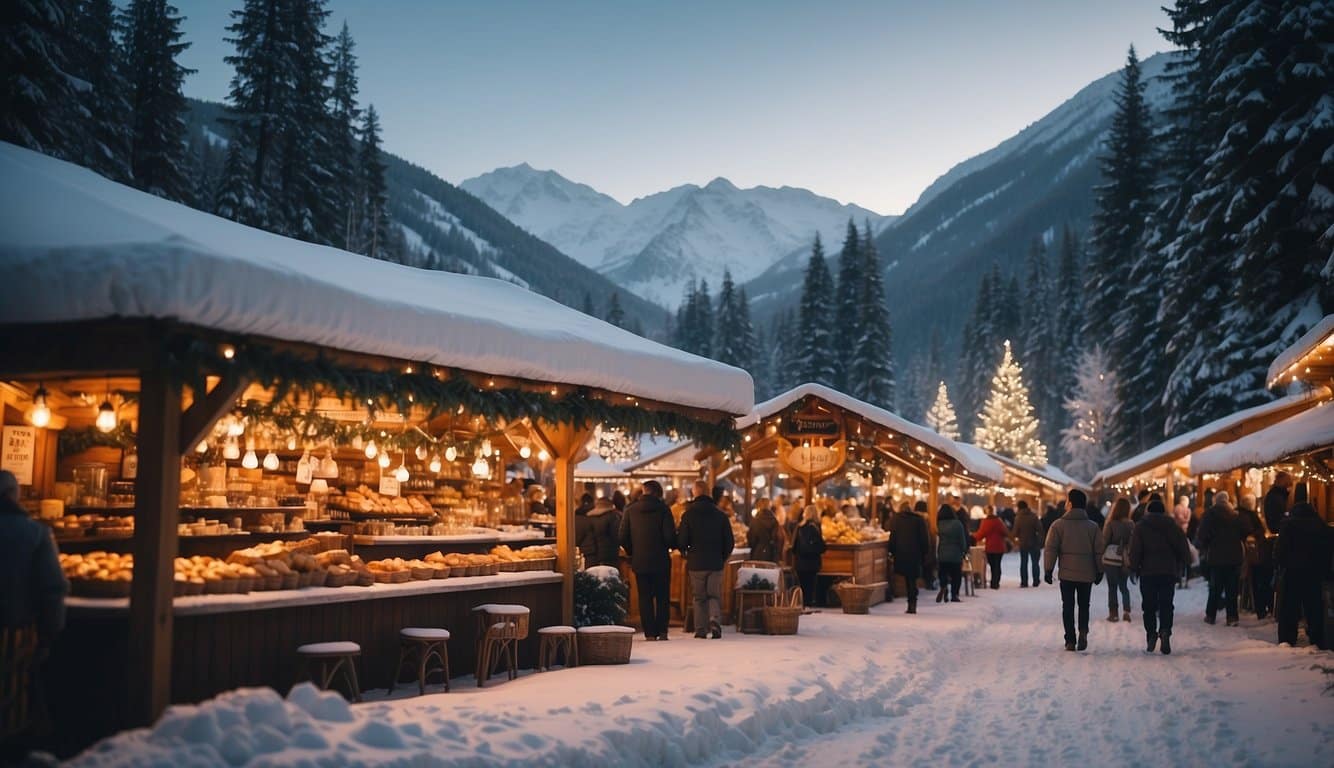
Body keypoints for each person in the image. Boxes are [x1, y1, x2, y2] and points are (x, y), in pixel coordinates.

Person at [1, 470, 68, 754]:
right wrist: (50, 635)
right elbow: (53, 589)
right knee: (11, 703)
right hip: (13, 632)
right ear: (13, 495)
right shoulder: (35, 533)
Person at [1044, 489, 1105, 652]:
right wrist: (1100, 570)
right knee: (1084, 605)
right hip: (1086, 573)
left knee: (1068, 606)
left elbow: (1051, 549)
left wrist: (1048, 569)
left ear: (1070, 503)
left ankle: (1070, 639)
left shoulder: (1058, 525)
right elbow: (1099, 550)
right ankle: (1083, 632)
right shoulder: (1093, 527)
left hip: (1067, 574)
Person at [1127, 498, 1191, 654]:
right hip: (1168, 571)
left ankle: (1151, 635)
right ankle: (1165, 631)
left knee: (1148, 605)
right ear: (1164, 511)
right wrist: (1185, 563)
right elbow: (1183, 547)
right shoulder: (1173, 526)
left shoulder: (1140, 527)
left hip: (1147, 572)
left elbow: (1135, 550)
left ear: (1148, 511)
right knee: (1166, 604)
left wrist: (1133, 568)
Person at [1274, 484, 1331, 649]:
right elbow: (1327, 547)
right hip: (1314, 572)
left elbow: (1280, 550)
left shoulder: (1288, 525)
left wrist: (1280, 564)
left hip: (1292, 572)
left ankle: (1287, 639)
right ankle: (1317, 638)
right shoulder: (1320, 525)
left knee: (1289, 607)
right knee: (1313, 605)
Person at [619, 481, 677, 641]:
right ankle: (662, 631)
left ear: (643, 492)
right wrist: (671, 545)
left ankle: (650, 632)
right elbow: (670, 537)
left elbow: (622, 536)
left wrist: (632, 551)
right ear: (658, 493)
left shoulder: (630, 510)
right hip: (661, 560)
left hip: (640, 560)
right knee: (662, 596)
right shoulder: (664, 510)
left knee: (644, 597)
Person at [677, 480, 734, 639]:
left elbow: (682, 540)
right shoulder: (720, 515)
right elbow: (729, 541)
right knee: (714, 595)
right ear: (708, 493)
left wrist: (686, 552)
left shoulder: (688, 515)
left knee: (699, 597)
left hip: (696, 562)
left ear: (695, 493)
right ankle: (714, 620)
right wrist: (722, 556)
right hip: (715, 562)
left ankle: (700, 628)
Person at [1197, 490, 1243, 626]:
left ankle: (1211, 615)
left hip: (1216, 556)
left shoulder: (1209, 514)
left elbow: (1202, 535)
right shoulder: (1235, 515)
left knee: (1215, 587)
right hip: (1234, 556)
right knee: (1232, 588)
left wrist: (1207, 545)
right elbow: (1243, 531)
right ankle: (1232, 617)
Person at [1236, 492, 1273, 620]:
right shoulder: (1247, 516)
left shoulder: (1240, 515)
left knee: (1256, 580)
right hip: (1254, 554)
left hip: (1249, 553)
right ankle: (1260, 609)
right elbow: (1250, 533)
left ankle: (1256, 606)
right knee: (1258, 580)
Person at [891, 501, 931, 613]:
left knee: (907, 579)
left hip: (901, 553)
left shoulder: (896, 520)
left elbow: (892, 537)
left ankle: (911, 603)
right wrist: (925, 552)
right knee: (912, 579)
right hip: (915, 554)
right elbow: (924, 538)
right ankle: (912, 603)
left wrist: (892, 551)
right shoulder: (919, 520)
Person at [1102, 497, 1134, 622]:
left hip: (1111, 559)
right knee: (1124, 586)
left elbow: (1104, 541)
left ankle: (1113, 613)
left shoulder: (1111, 524)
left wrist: (1100, 554)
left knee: (1112, 587)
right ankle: (1126, 611)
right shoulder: (1131, 524)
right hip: (1125, 558)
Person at [791, 505, 826, 607]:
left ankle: (802, 604)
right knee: (810, 585)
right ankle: (808, 603)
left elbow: (794, 546)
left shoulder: (799, 527)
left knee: (802, 584)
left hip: (800, 561)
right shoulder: (816, 527)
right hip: (813, 562)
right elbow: (821, 546)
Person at [935, 506, 968, 603]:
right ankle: (954, 595)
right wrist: (964, 550)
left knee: (943, 573)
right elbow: (962, 540)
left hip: (942, 553)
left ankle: (944, 587)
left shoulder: (939, 524)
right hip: (955, 554)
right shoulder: (957, 524)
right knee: (956, 575)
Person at [972, 506, 1008, 589]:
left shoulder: (986, 522)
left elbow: (981, 534)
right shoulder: (999, 521)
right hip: (999, 547)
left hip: (990, 547)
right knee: (997, 565)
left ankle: (994, 582)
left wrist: (973, 536)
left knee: (992, 565)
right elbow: (1005, 532)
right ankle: (995, 582)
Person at [1011, 500, 1044, 588]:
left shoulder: (1018, 518)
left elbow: (1015, 532)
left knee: (1023, 563)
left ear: (1019, 507)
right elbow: (1040, 529)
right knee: (1035, 563)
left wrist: (1015, 539)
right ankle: (1036, 581)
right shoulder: (1033, 516)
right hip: (1034, 542)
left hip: (1023, 543)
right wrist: (1040, 541)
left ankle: (1024, 582)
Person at [585, 496, 622, 567]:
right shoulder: (613, 516)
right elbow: (617, 535)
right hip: (610, 555)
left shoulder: (589, 517)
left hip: (592, 555)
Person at [746, 497, 784, 564]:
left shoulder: (756, 521)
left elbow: (751, 538)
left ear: (759, 506)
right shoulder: (774, 521)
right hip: (771, 552)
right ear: (769, 506)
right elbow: (778, 538)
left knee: (758, 573)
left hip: (758, 551)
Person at [1263, 471, 1292, 535]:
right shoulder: (1276, 495)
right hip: (1278, 528)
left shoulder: (1278, 494)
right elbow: (1280, 513)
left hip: (1278, 527)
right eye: (1287, 481)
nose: (1289, 484)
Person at [573, 492, 596, 561]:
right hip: (591, 552)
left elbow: (576, 537)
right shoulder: (595, 516)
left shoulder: (576, 517)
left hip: (580, 551)